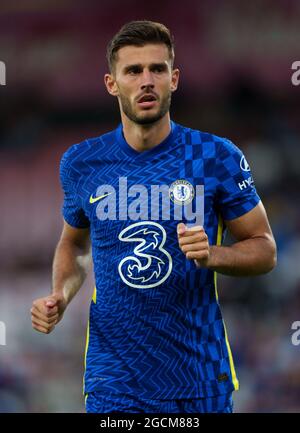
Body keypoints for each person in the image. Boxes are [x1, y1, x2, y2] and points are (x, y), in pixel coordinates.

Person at [31, 20, 277, 413]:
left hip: (198, 377)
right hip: (114, 381)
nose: (147, 81)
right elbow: (75, 243)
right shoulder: (81, 163)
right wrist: (60, 294)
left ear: (174, 78)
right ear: (112, 83)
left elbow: (265, 250)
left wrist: (214, 254)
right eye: (133, 71)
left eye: (157, 69)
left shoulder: (216, 156)